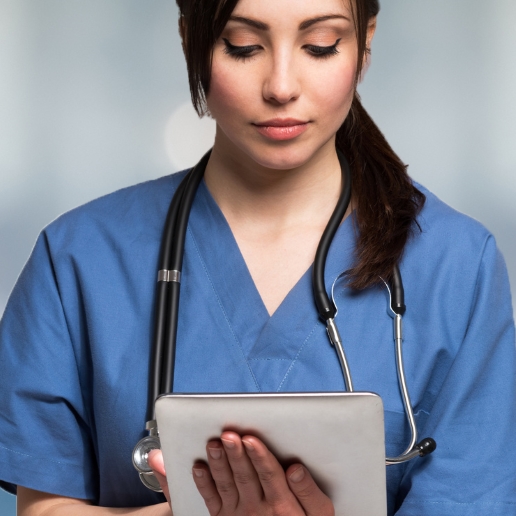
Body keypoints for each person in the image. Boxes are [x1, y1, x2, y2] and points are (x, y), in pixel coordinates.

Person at [1, 0, 515, 514]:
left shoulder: (457, 267)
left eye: (320, 46)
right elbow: (43, 507)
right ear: (191, 41)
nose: (281, 86)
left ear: (366, 43)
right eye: (243, 47)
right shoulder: (77, 259)